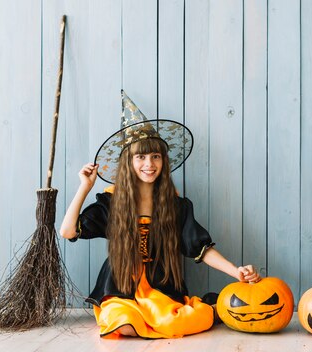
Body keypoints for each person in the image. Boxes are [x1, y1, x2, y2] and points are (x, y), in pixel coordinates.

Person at [60, 91, 259, 339]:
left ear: (163, 161)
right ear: (128, 162)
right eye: (140, 157)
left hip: (161, 290)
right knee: (122, 325)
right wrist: (85, 187)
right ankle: (140, 318)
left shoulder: (175, 205)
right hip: (119, 288)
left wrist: (236, 271)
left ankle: (210, 308)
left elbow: (202, 248)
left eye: (155, 156)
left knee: (175, 324)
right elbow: (68, 231)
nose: (149, 164)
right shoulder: (112, 202)